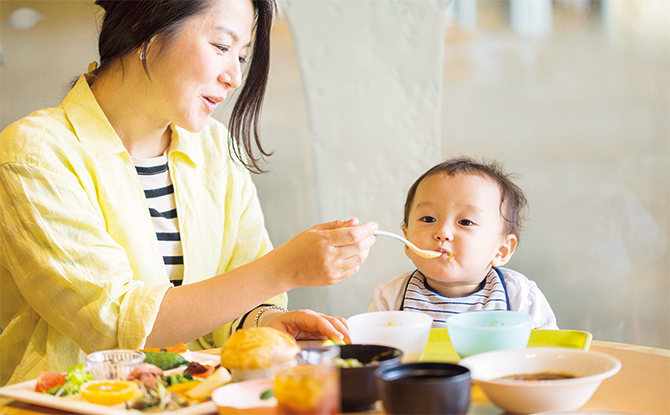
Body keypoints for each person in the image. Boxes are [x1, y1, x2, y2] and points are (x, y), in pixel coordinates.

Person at [0, 0, 378, 386]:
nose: (233, 76)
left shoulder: (212, 148)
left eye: (242, 57)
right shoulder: (34, 155)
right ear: (144, 27)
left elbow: (238, 290)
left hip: (193, 398)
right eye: (220, 47)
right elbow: (118, 326)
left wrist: (263, 321)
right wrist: (283, 269)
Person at [368, 157, 557, 329]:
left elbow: (548, 351)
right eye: (428, 219)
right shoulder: (391, 298)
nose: (442, 232)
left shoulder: (520, 296)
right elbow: (371, 354)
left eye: (465, 222)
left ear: (501, 250)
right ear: (407, 240)